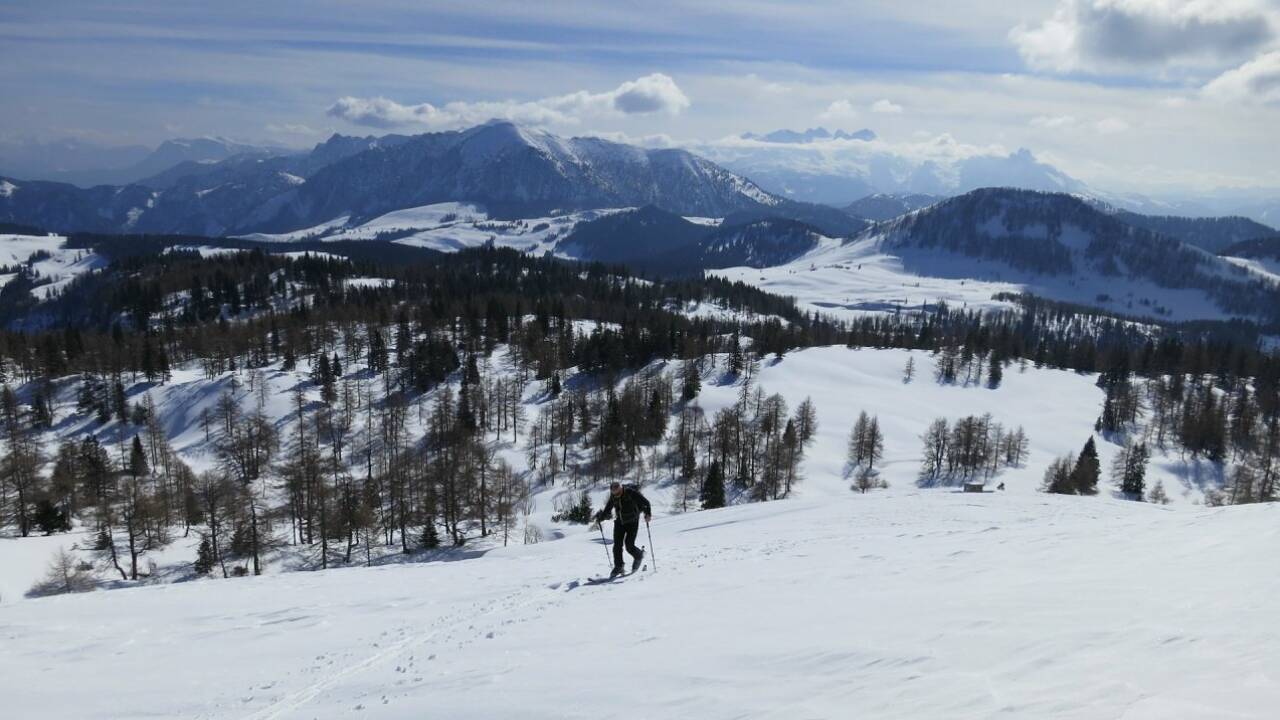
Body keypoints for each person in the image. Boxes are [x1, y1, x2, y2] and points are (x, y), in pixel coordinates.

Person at [594, 482, 651, 576]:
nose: (616, 495)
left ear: (621, 489)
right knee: (617, 546)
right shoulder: (613, 496)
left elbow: (646, 503)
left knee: (629, 545)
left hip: (632, 521)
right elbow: (608, 508)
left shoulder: (630, 493)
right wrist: (601, 518)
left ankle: (639, 555)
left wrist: (648, 514)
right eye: (614, 493)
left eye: (618, 493)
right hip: (620, 522)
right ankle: (619, 566)